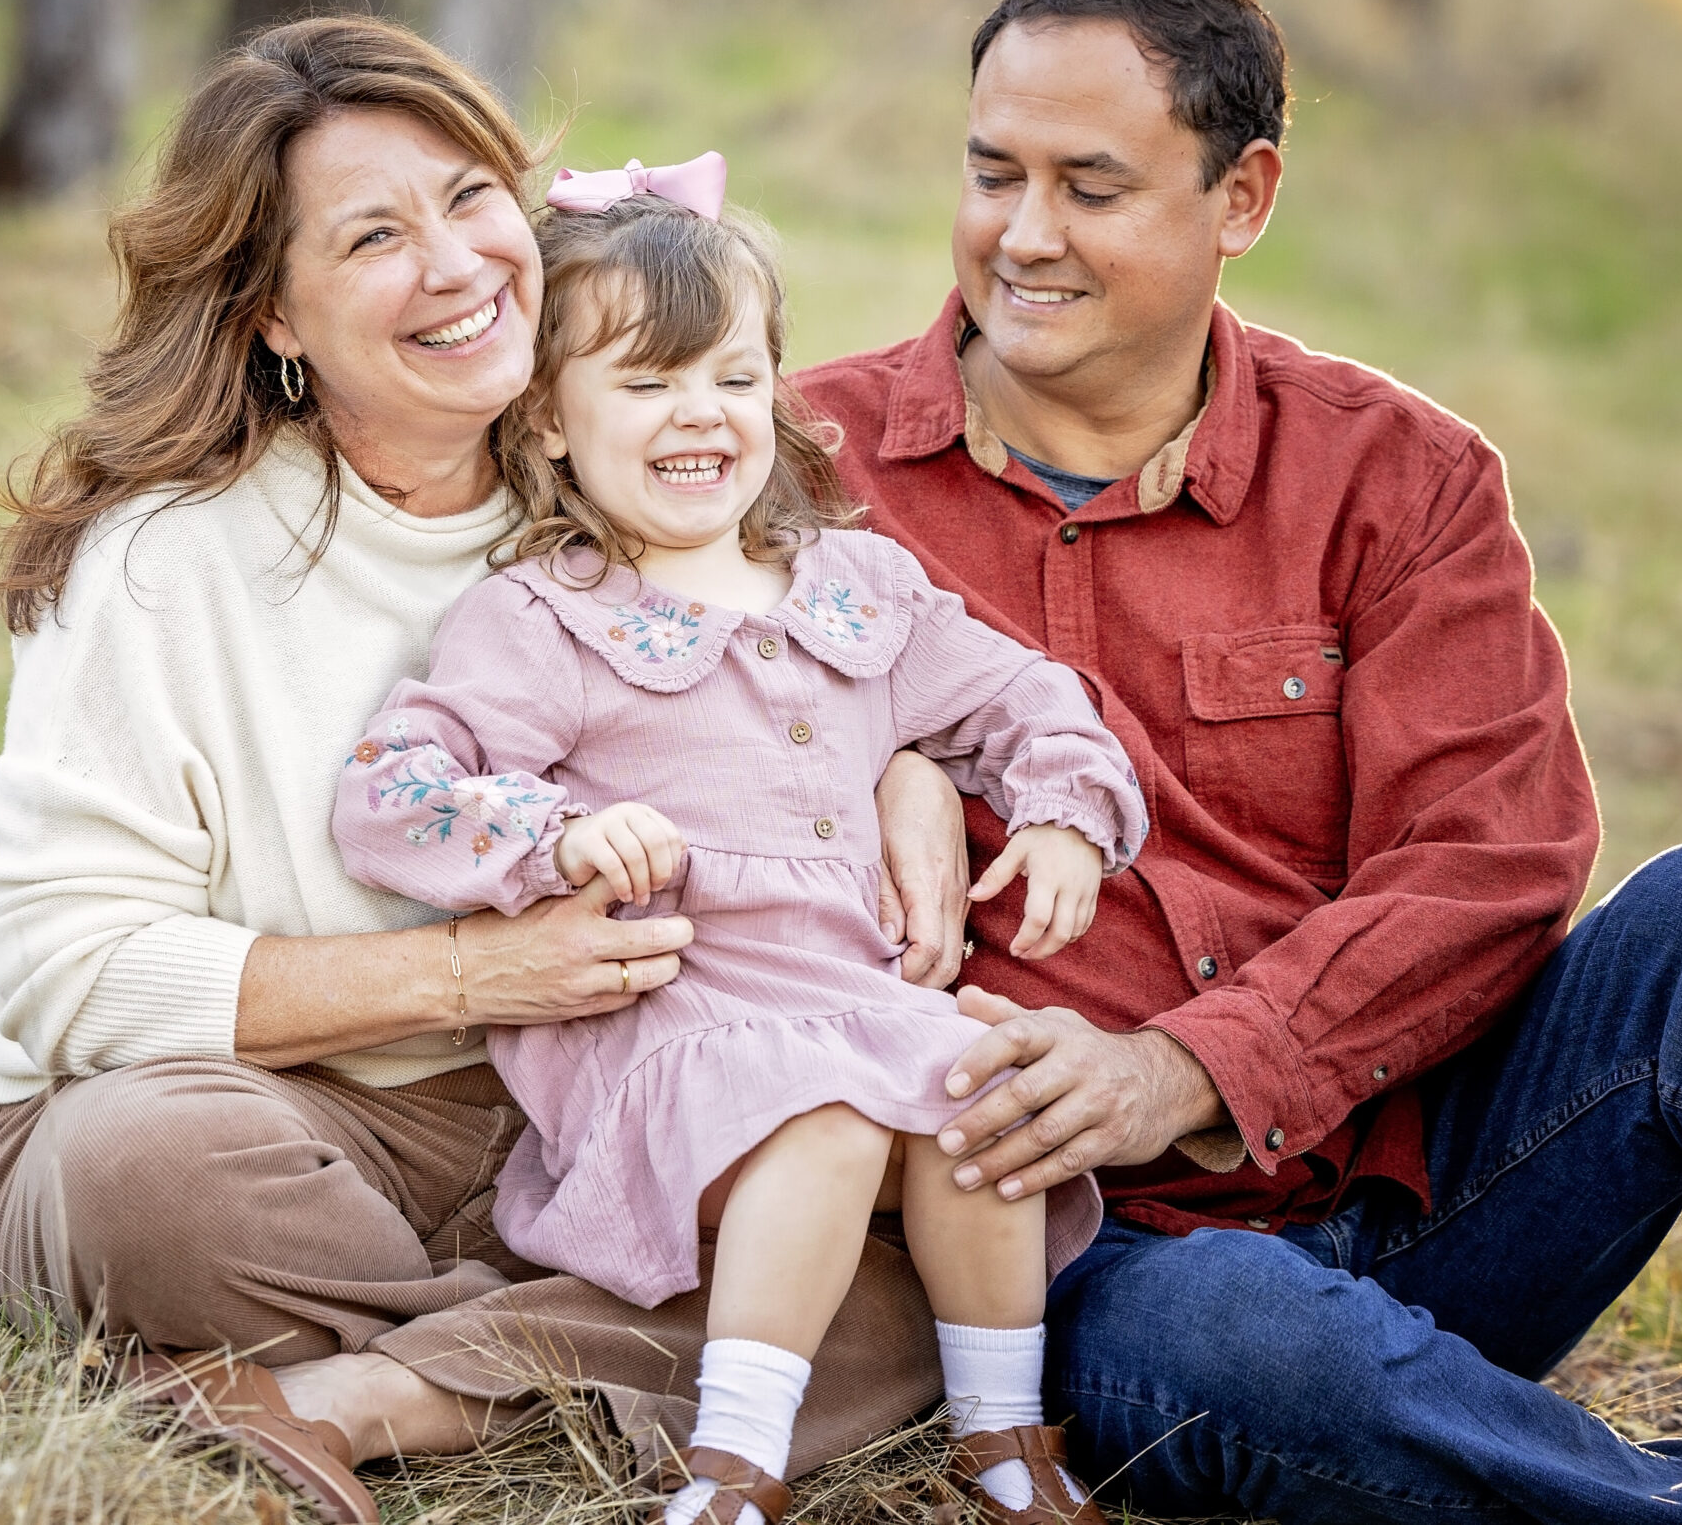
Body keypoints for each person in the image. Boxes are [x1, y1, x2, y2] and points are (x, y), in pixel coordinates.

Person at [793, 0, 1682, 1524]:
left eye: (1091, 186)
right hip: (1099, 1272)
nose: (1023, 236)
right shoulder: (798, 475)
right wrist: (884, 768)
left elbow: (1492, 862)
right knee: (1244, 1334)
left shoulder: (1398, 478)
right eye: (990, 171)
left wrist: (1187, 1062)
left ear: (1244, 199)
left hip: (1427, 1187)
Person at [0, 17, 978, 1525]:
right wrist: (467, 976)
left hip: (591, 1107)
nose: (457, 265)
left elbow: (843, 651)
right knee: (139, 1176)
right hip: (277, 1113)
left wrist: (906, 768)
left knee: (907, 1292)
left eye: (470, 197)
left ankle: (343, 1389)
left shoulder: (626, 466)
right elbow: (69, 970)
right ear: (275, 314)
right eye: (374, 234)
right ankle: (560, 1346)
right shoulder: (168, 563)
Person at [333, 168, 1138, 1525]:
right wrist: (557, 832)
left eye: (733, 376)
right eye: (645, 384)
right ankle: (734, 1462)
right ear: (547, 418)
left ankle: (1004, 1438)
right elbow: (390, 790)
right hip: (677, 1031)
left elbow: (1023, 697)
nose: (699, 414)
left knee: (983, 1094)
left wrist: (1063, 806)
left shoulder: (856, 587)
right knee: (816, 1118)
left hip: (856, 1005)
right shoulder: (544, 619)